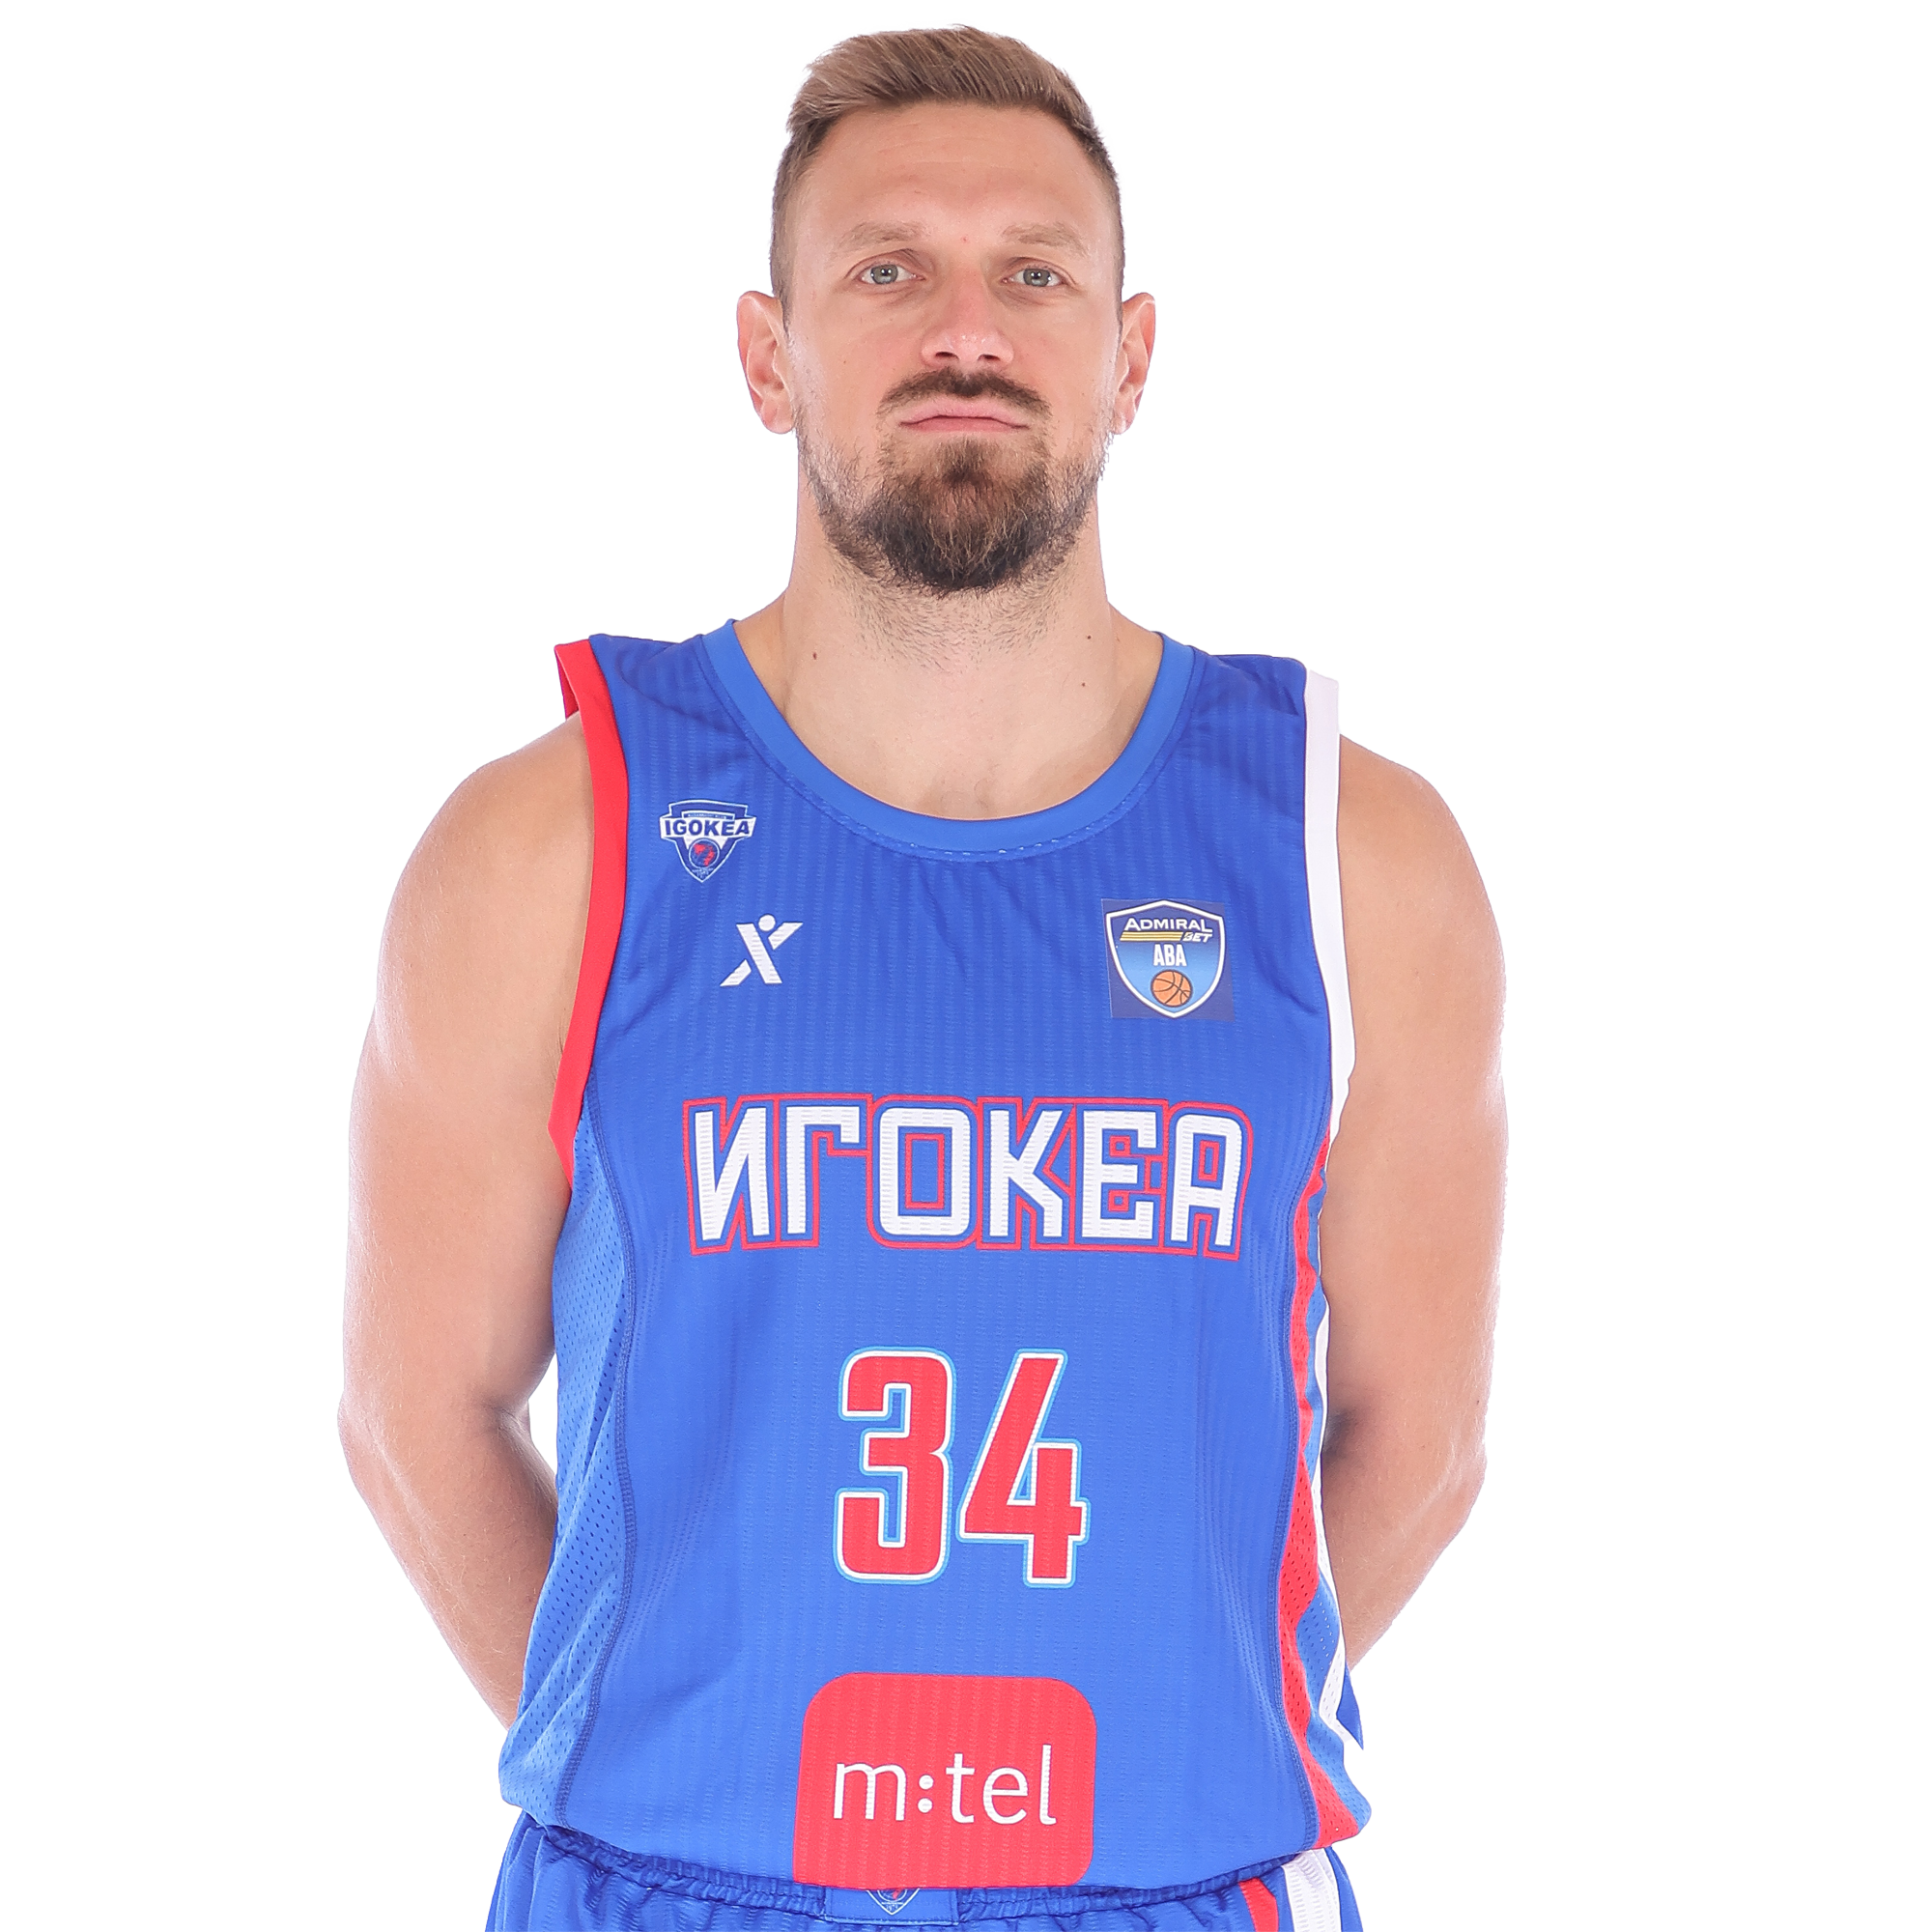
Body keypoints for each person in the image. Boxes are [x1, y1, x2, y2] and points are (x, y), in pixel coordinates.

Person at [340, 25, 1503, 1932]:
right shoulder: (550, 844)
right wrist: (688, 1775)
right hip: (675, 1886)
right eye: (888, 269)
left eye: (1033, 273)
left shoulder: (1346, 851)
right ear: (768, 354)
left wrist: (1154, 1763)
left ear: (1129, 355)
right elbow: (414, 1419)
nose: (966, 328)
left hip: (1170, 1889)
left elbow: (1424, 1439)